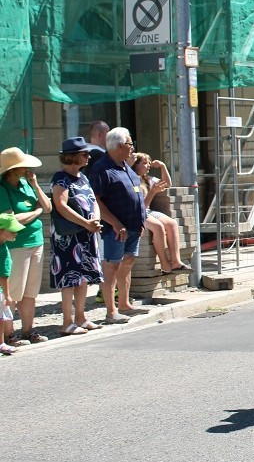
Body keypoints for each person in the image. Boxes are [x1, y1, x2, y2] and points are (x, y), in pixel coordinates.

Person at [89, 127, 148, 324]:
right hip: (114, 229)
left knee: (128, 263)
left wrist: (139, 221)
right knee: (111, 267)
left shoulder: (125, 165)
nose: (132, 148)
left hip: (132, 226)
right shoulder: (101, 168)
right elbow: (95, 199)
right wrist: (114, 222)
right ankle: (111, 310)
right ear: (120, 145)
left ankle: (124, 303)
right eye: (130, 144)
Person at [50, 137, 104, 335]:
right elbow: (60, 205)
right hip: (68, 238)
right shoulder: (60, 178)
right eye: (84, 154)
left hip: (86, 234)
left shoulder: (83, 177)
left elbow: (93, 200)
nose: (88, 157)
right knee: (70, 279)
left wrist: (95, 220)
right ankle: (67, 322)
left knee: (83, 279)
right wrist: (86, 223)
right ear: (71, 157)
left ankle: (81, 318)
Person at [0, 147, 52, 343]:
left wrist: (36, 185)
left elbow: (48, 206)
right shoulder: (2, 189)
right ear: (12, 170)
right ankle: (8, 333)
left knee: (30, 292)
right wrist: (36, 212)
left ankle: (28, 330)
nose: (28, 169)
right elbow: (11, 219)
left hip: (35, 241)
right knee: (13, 292)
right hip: (17, 244)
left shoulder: (26, 183)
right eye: (23, 167)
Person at [130, 152, 191, 274]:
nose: (148, 166)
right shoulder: (132, 179)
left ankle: (176, 261)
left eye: (148, 163)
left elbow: (167, 184)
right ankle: (165, 264)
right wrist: (152, 192)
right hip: (137, 213)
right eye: (144, 163)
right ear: (136, 165)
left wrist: (163, 166)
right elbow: (142, 207)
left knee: (172, 223)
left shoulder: (147, 179)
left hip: (148, 211)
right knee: (158, 227)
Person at [0, 213, 25, 354]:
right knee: (1, 318)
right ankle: (1, 343)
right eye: (12, 230)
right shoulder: (2, 250)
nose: (16, 233)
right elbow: (2, 275)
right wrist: (8, 295)